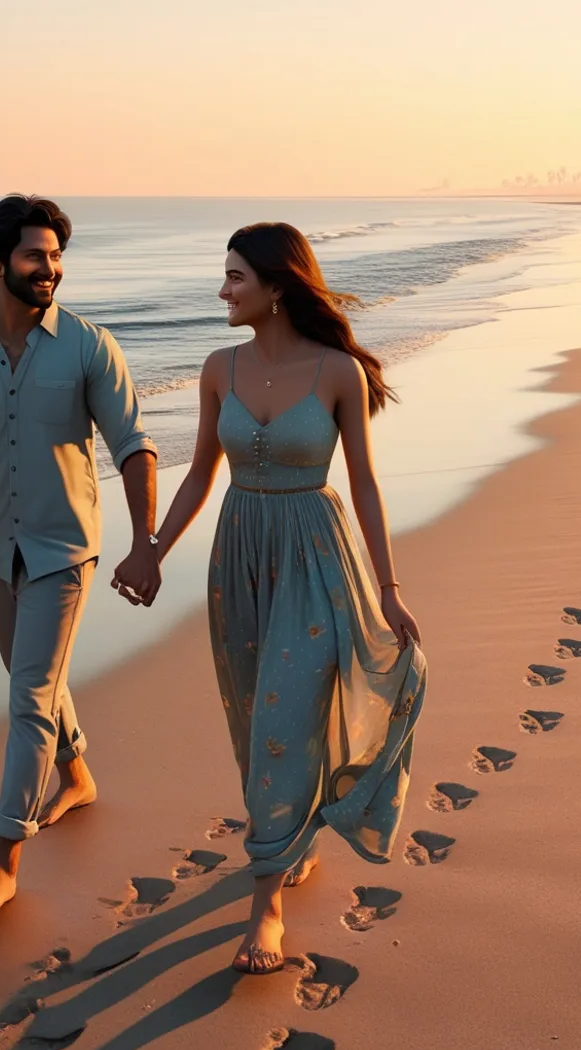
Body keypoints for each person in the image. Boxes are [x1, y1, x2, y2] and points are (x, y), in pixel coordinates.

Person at [151, 222, 427, 973]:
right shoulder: (218, 368)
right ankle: (290, 838)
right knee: (255, 721)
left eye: (237, 276)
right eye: (225, 274)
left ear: (277, 287)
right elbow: (201, 473)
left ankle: (265, 906)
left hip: (315, 552)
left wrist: (390, 590)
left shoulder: (339, 371)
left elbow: (364, 483)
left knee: (285, 709)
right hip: (239, 553)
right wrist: (151, 552)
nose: (223, 290)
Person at [0, 194, 160, 918]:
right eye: (35, 255)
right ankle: (77, 775)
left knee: (29, 696)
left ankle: (3, 859)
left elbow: (133, 446)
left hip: (64, 549)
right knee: (32, 680)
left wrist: (146, 543)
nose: (51, 268)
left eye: (55, 256)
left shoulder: (88, 345)